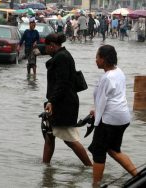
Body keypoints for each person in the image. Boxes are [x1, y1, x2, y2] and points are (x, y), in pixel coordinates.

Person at [88, 45, 138, 186]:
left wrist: (96, 122)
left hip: (110, 119)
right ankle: (138, 176)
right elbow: (111, 97)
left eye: (97, 57)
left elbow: (102, 101)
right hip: (122, 117)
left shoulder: (106, 78)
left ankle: (95, 185)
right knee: (113, 149)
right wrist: (96, 110)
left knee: (98, 152)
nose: (95, 60)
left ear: (104, 60)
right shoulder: (119, 71)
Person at [43, 33, 92, 166]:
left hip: (63, 104)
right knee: (49, 135)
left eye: (46, 46)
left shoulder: (61, 58)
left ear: (52, 46)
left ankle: (90, 167)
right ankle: (45, 168)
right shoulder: (62, 55)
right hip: (59, 101)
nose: (45, 49)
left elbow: (62, 83)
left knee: (69, 139)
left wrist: (51, 101)